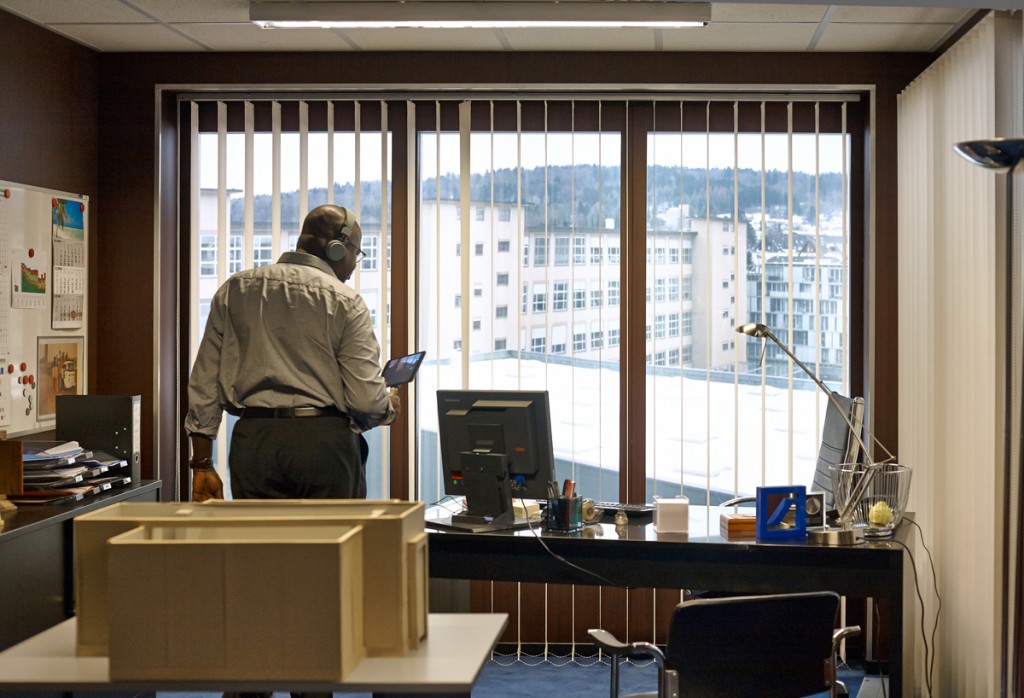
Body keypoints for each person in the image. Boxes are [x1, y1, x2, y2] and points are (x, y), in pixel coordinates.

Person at [185, 204, 400, 504]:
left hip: (253, 443)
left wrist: (202, 464)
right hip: (324, 445)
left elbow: (204, 382)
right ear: (338, 249)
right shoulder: (346, 302)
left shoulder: (235, 290)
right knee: (333, 546)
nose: (354, 264)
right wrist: (386, 406)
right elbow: (366, 400)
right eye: (357, 253)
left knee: (262, 548)